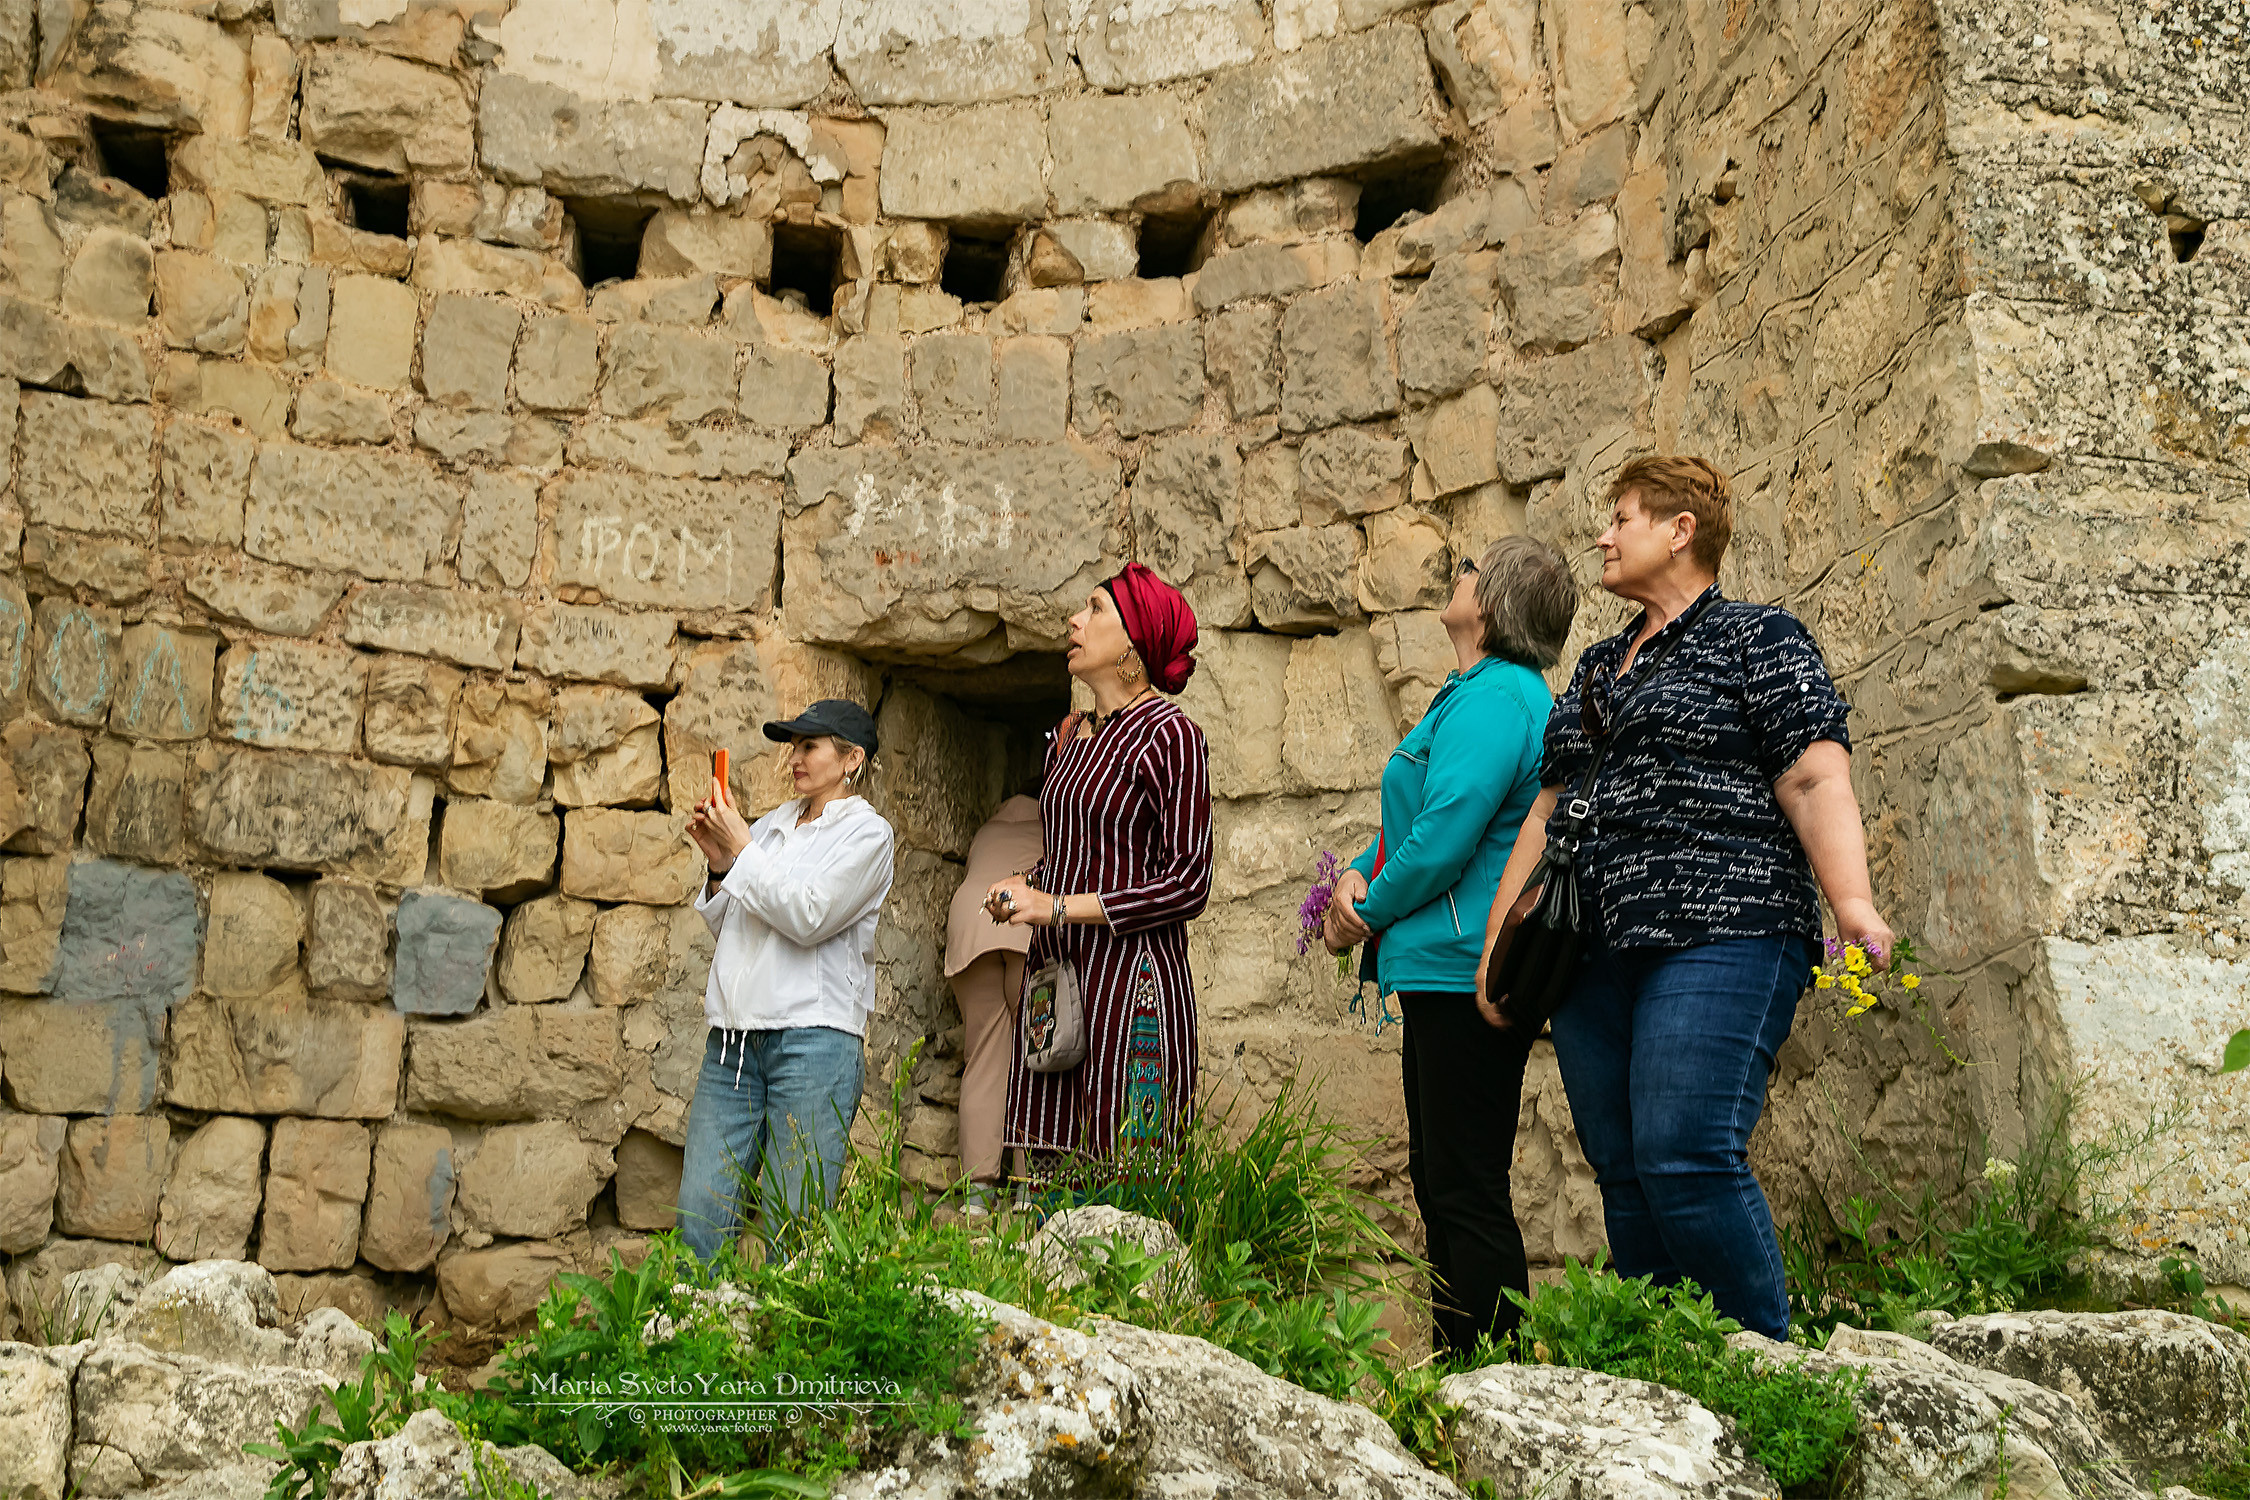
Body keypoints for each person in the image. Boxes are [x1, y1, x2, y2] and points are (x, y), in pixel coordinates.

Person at [1477, 456, 1893, 1339]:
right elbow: (1547, 811)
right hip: (1592, 951)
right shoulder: (1594, 668)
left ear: (1680, 530)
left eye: (1621, 516)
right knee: (1625, 1169)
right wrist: (1495, 949)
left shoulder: (1759, 638)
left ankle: (1769, 1371)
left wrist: (1851, 904)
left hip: (1728, 934)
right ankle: (1680, 1381)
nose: (1603, 534)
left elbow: (1816, 777)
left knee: (1686, 1154)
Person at [1323, 535, 1578, 1358]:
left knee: (1465, 1188)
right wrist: (1356, 878)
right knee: (1444, 1184)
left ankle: (1495, 1378)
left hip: (1463, 969)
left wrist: (1369, 911)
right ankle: (1458, 1371)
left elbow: (1443, 838)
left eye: (1468, 571)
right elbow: (1411, 821)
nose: (1455, 578)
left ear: (1492, 606)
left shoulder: (1500, 697)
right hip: (1438, 968)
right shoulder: (1467, 693)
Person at [984, 563, 1212, 1171]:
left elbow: (1189, 881)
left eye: (1094, 609)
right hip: (1059, 974)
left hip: (1131, 984)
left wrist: (1055, 907)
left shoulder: (1172, 737)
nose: (1074, 620)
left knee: (1123, 1179)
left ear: (1132, 649)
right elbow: (1078, 858)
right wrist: (1025, 887)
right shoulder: (1076, 739)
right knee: (1051, 1169)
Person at [676, 698, 896, 1260]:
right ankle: (693, 1342)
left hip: (813, 1041)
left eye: (809, 745)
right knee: (700, 1215)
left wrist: (743, 849)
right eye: (792, 745)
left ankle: (779, 1344)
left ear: (851, 758)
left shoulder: (868, 835)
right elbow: (733, 923)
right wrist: (721, 865)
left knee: (789, 1226)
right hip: (732, 1041)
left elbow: (808, 916)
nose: (794, 757)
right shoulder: (773, 825)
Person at [943, 794, 1043, 1214]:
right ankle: (1029, 1189)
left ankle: (978, 1196)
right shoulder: (1054, 828)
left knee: (984, 1056)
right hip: (1027, 931)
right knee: (1039, 1058)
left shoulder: (987, 831)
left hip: (973, 926)